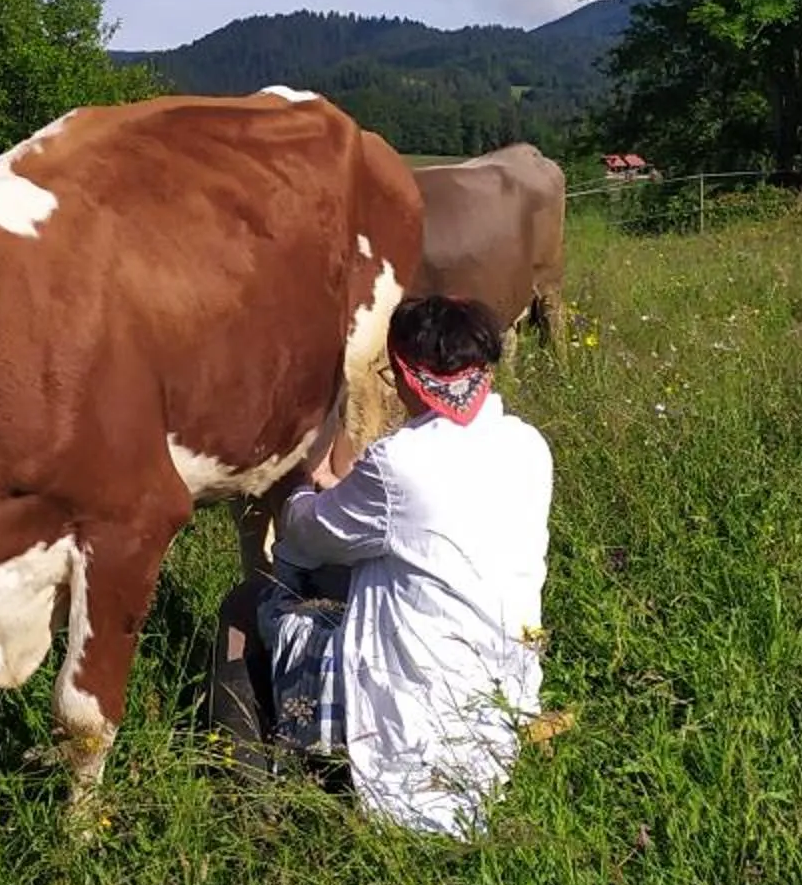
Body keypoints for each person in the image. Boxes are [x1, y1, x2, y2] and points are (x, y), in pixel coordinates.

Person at [210, 293, 555, 836]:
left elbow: (307, 536)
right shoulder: (529, 446)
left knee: (243, 606)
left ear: (404, 376)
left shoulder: (400, 462)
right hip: (499, 698)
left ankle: (250, 807)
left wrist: (304, 485)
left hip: (413, 719)